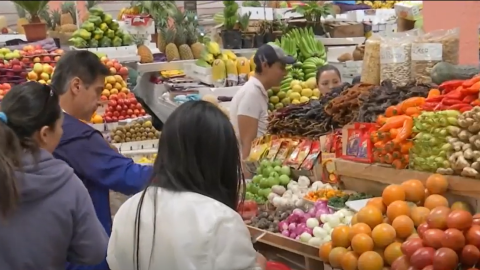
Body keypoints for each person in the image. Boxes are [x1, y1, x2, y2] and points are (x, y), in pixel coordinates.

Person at [107, 101, 266, 270]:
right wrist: (259, 265)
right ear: (221, 159)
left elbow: (115, 261)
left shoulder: (128, 210)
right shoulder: (222, 221)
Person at [50, 50, 153, 270]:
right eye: (97, 91)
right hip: (80, 255)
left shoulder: (42, 120)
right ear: (76, 86)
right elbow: (128, 177)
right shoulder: (74, 135)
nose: (99, 101)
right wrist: (177, 167)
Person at [0, 82, 108, 270]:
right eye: (60, 126)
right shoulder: (66, 184)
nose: (62, 132)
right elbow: (94, 251)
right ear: (44, 134)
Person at [230, 44, 295, 161]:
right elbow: (247, 147)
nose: (285, 73)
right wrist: (248, 179)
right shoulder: (251, 95)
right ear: (265, 65)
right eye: (281, 67)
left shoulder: (257, 92)